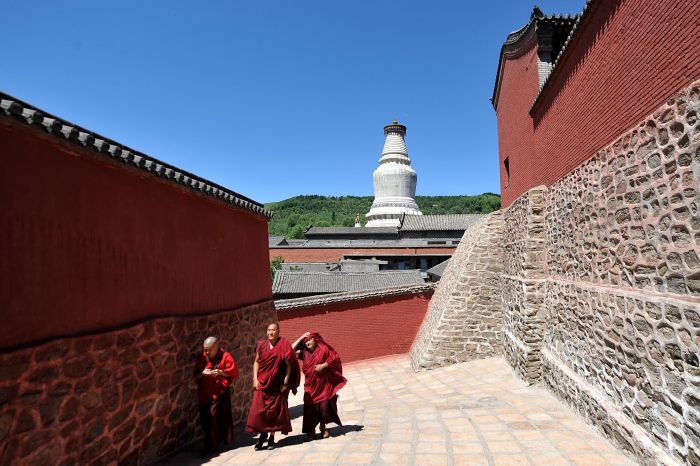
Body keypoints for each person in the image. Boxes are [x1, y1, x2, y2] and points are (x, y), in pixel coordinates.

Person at [246, 322, 301, 450]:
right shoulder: (261, 345)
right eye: (269, 330)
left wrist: (285, 383)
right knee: (259, 412)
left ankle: (271, 438)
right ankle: (262, 435)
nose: (270, 332)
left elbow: (288, 365)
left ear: (278, 331)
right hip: (262, 384)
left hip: (276, 386)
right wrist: (255, 379)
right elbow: (256, 362)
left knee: (274, 412)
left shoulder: (283, 345)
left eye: (273, 330)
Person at [292, 331, 347, 441]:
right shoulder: (304, 353)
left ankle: (323, 427)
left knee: (323, 407)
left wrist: (323, 365)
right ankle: (311, 431)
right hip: (310, 386)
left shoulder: (323, 350)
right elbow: (290, 350)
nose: (307, 343)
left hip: (322, 385)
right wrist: (302, 336)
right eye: (305, 342)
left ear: (315, 340)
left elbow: (335, 358)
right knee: (309, 409)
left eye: (309, 340)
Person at [194, 336, 239, 457]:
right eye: (205, 350)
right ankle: (210, 441)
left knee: (214, 415)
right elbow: (196, 375)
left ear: (216, 347)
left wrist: (220, 372)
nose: (206, 352)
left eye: (209, 350)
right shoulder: (202, 357)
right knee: (205, 419)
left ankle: (212, 443)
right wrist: (202, 373)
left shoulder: (225, 356)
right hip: (204, 393)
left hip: (219, 393)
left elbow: (233, 373)